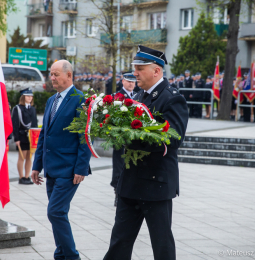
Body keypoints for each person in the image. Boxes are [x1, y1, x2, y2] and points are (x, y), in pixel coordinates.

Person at [103, 45, 188, 260]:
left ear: (156, 71)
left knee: (161, 245)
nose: (135, 73)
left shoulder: (171, 98)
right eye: (135, 68)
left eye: (140, 68)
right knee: (119, 242)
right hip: (131, 182)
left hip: (155, 183)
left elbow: (173, 139)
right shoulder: (139, 95)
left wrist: (133, 137)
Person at [31, 60, 91, 260]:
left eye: (56, 74)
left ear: (69, 76)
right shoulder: (51, 101)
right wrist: (36, 166)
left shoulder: (80, 99)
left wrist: (81, 168)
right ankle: (61, 255)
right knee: (58, 214)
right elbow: (44, 136)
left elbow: (85, 137)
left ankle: (72, 256)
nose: (52, 78)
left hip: (69, 169)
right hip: (51, 168)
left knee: (55, 212)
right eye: (51, 74)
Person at [111, 73, 137, 206]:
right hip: (120, 136)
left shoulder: (138, 95)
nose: (131, 84)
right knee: (119, 165)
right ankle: (117, 192)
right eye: (128, 81)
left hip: (133, 136)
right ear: (122, 81)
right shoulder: (117, 96)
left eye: (133, 82)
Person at [12, 88, 38, 185]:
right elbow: (15, 124)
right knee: (22, 157)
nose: (30, 98)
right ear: (23, 97)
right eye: (28, 96)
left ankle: (27, 177)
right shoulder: (17, 108)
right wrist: (16, 138)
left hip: (31, 137)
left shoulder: (33, 109)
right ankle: (21, 177)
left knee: (29, 157)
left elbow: (34, 124)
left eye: (31, 96)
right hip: (22, 136)